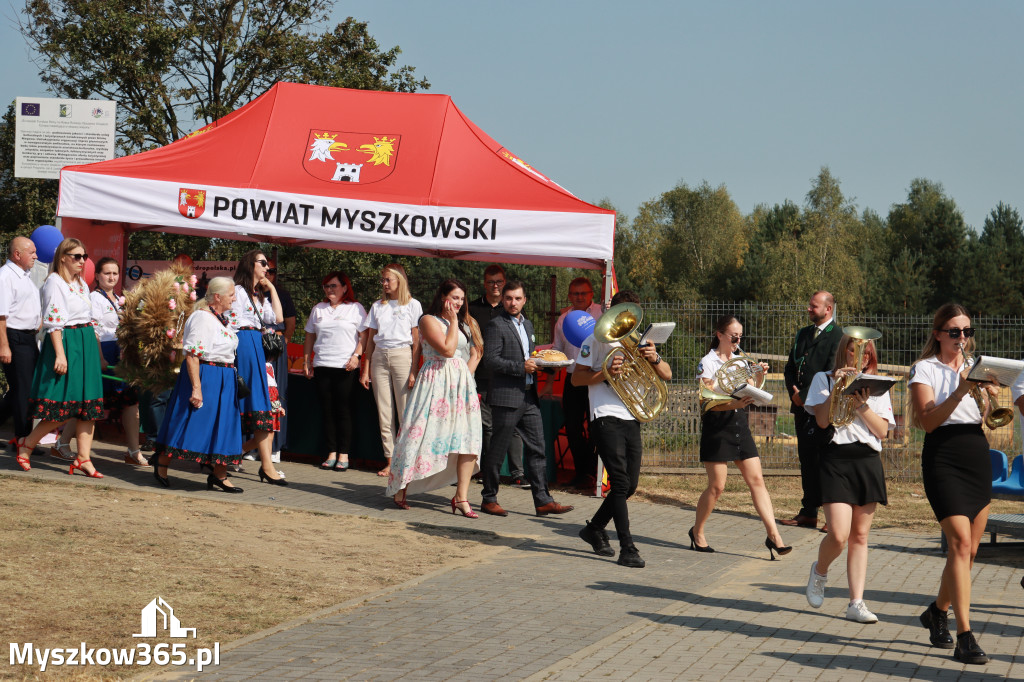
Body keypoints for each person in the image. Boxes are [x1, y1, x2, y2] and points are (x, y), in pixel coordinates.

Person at [908, 303, 993, 665]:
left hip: (976, 453)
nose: (962, 338)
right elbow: (927, 422)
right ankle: (965, 635)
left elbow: (988, 420)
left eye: (967, 332)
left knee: (969, 552)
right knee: (958, 543)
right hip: (943, 456)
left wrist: (986, 394)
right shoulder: (924, 369)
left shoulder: (976, 367)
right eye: (955, 332)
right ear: (938, 334)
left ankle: (936, 611)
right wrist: (959, 391)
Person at [572, 290, 672, 568]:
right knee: (619, 482)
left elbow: (667, 375)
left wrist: (653, 358)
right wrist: (606, 372)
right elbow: (576, 380)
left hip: (632, 416)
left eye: (631, 318)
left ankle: (594, 529)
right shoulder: (594, 340)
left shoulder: (641, 343)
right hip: (604, 415)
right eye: (620, 317)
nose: (626, 325)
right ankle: (627, 547)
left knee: (630, 485)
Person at [803, 334, 894, 623]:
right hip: (835, 459)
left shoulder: (877, 385)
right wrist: (839, 389)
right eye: (856, 351)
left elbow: (882, 432)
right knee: (839, 534)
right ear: (845, 351)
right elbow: (821, 420)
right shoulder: (823, 378)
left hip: (867, 460)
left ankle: (856, 602)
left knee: (860, 536)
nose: (861, 358)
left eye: (866, 353)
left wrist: (860, 405)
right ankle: (820, 571)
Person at [692, 315, 790, 559]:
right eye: (733, 336)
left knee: (757, 480)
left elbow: (753, 390)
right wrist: (733, 400)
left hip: (738, 423)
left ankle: (774, 536)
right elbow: (707, 400)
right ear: (720, 335)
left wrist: (758, 374)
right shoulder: (708, 361)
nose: (737, 340)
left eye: (740, 336)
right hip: (717, 424)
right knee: (717, 487)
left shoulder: (740, 360)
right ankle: (697, 531)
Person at [386, 279, 482, 514]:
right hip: (435, 383)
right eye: (454, 298)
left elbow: (477, 350)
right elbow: (447, 349)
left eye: (461, 298)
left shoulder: (466, 322)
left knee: (467, 439)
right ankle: (402, 485)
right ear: (443, 298)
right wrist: (452, 322)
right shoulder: (428, 320)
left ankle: (461, 497)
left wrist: (463, 378)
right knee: (418, 434)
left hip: (460, 387)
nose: (458, 303)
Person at [480, 280, 574, 517]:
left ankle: (543, 500)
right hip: (506, 397)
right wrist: (520, 367)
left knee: (538, 448)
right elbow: (490, 360)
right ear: (503, 299)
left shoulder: (527, 324)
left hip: (529, 397)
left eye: (518, 298)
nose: (513, 303)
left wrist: (547, 365)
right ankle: (489, 498)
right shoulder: (495, 325)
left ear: (525, 300)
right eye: (509, 298)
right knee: (497, 450)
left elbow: (531, 358)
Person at [14, 239, 104, 476]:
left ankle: (83, 458)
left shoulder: (81, 282)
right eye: (76, 256)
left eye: (84, 256)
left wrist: (96, 351)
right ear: (63, 257)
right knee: (63, 407)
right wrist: (60, 355)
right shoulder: (54, 282)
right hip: (67, 342)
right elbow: (54, 323)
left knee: (88, 406)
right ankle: (27, 444)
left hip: (85, 342)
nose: (82, 261)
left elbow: (89, 318)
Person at [151, 276, 244, 493]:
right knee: (189, 421)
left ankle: (219, 475)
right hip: (207, 375)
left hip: (224, 377)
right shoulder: (202, 318)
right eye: (231, 294)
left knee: (223, 425)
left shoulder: (221, 318)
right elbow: (192, 355)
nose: (234, 298)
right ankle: (162, 462)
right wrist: (196, 387)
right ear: (218, 297)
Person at [54, 257, 147, 466]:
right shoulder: (94, 298)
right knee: (91, 403)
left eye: (115, 273)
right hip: (102, 351)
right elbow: (93, 330)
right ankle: (62, 443)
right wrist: (100, 357)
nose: (112, 277)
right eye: (107, 273)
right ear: (97, 276)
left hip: (120, 352)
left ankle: (133, 451)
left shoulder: (119, 298)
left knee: (131, 401)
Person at [781, 291, 844, 530]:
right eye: (809, 305)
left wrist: (805, 396)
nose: (809, 309)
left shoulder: (838, 336)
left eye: (813, 306)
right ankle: (808, 512)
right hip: (800, 407)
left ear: (828, 309)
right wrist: (794, 394)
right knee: (806, 460)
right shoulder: (803, 333)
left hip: (822, 406)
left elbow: (832, 370)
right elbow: (790, 367)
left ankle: (832, 515)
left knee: (824, 461)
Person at [229, 249, 286, 485]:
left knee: (262, 406)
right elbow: (231, 324)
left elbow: (279, 319)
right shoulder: (239, 292)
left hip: (256, 348)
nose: (267, 268)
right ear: (250, 264)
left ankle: (264, 465)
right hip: (242, 345)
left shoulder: (258, 296)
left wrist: (271, 288)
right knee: (249, 404)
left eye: (269, 266)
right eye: (263, 264)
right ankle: (261, 464)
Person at [359, 263, 422, 478]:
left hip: (402, 356)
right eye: (383, 280)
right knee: (384, 413)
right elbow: (369, 341)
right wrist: (365, 369)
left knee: (405, 412)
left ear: (399, 281)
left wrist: (414, 369)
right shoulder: (378, 306)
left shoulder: (413, 305)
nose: (384, 284)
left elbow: (416, 341)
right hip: (379, 357)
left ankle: (405, 462)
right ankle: (390, 461)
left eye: (388, 279)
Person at [467, 264, 526, 488]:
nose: (495, 286)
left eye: (499, 282)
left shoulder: (512, 309)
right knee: (487, 427)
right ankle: (487, 472)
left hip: (509, 378)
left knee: (513, 426)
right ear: (484, 284)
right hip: (481, 377)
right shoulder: (471, 308)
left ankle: (517, 473)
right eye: (491, 282)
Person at [304, 271, 365, 472]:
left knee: (344, 410)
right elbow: (309, 337)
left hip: (345, 366)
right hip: (322, 365)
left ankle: (344, 454)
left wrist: (356, 356)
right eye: (326, 286)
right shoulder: (318, 309)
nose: (330, 290)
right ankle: (331, 452)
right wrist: (307, 361)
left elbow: (364, 336)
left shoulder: (355, 309)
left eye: (334, 286)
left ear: (345, 288)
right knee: (327, 411)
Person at [550, 276, 603, 490]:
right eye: (575, 293)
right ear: (569, 296)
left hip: (597, 379)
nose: (579, 297)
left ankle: (593, 473)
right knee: (572, 428)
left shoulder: (603, 314)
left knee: (596, 428)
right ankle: (581, 473)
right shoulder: (563, 320)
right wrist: (548, 384)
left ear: (592, 294)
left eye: (584, 293)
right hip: (573, 379)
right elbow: (557, 353)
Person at [0, 236, 41, 452]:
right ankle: (23, 439)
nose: (36, 256)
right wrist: (4, 346)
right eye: (31, 252)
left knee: (22, 389)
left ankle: (22, 437)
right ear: (17, 254)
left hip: (27, 338)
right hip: (13, 338)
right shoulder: (5, 276)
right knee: (23, 391)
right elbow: (1, 316)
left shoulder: (25, 276)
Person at [266, 260, 295, 462]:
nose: (268, 273)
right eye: (265, 269)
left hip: (275, 348)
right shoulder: (246, 292)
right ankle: (252, 446)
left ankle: (276, 447)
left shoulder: (282, 294)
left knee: (276, 392)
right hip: (255, 347)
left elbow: (290, 322)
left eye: (272, 270)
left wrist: (282, 341)